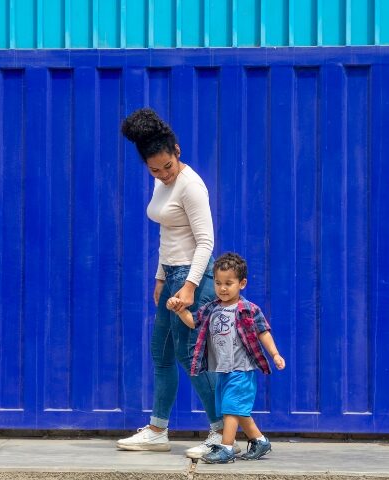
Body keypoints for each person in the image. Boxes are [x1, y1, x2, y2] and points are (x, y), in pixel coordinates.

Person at [116, 108, 240, 458]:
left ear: (178, 151)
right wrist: (160, 275)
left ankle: (220, 433)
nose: (163, 174)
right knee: (162, 353)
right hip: (170, 276)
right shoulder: (161, 181)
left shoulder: (191, 185)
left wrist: (188, 285)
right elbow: (168, 230)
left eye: (167, 166)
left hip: (192, 278)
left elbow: (206, 241)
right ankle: (158, 429)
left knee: (192, 356)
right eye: (154, 169)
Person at [168, 252, 285, 463]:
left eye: (228, 283)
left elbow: (263, 332)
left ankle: (227, 448)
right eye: (218, 283)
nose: (222, 288)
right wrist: (179, 310)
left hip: (242, 369)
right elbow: (193, 321)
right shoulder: (211, 308)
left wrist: (275, 354)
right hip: (221, 369)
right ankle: (260, 441)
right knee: (236, 409)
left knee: (230, 408)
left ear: (242, 283)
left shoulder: (248, 309)